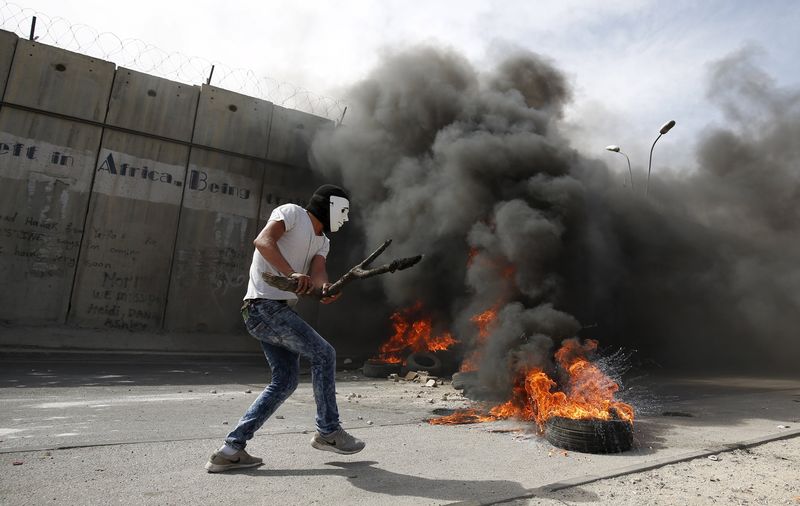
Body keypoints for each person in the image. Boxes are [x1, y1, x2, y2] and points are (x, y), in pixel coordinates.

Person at [205, 184, 365, 473]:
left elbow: (317, 273)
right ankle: (329, 431)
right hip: (262, 306)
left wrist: (325, 288)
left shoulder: (322, 241)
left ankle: (230, 450)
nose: (346, 218)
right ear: (329, 206)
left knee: (286, 381)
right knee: (324, 354)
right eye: (344, 210)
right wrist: (291, 272)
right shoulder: (292, 213)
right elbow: (263, 241)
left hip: (277, 312)